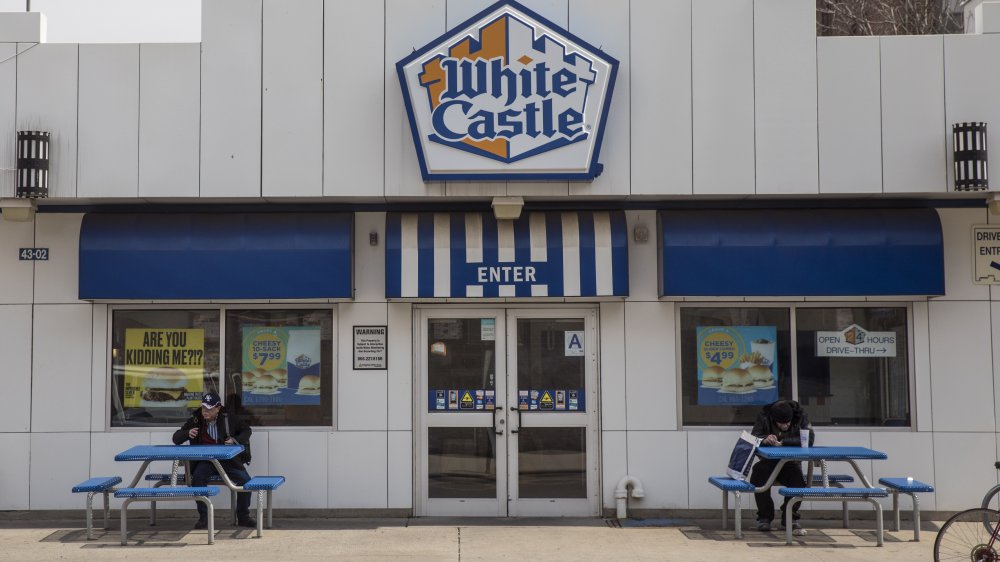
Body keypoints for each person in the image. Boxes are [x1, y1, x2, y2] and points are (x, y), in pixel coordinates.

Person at [173, 391, 256, 529]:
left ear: (218, 408)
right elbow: (176, 438)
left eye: (209, 408)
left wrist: (235, 440)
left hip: (228, 460)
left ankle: (243, 516)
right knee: (198, 479)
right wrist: (187, 433)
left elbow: (247, 430)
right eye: (204, 407)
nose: (205, 411)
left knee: (245, 481)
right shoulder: (196, 420)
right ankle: (204, 518)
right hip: (205, 461)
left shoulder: (228, 418)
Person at [749, 399, 814, 534]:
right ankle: (764, 517)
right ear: (773, 419)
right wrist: (765, 439)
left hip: (790, 462)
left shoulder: (800, 416)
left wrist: (784, 442)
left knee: (798, 482)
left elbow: (809, 439)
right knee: (758, 475)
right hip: (768, 461)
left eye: (788, 423)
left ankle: (790, 517)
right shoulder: (764, 417)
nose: (785, 426)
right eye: (781, 423)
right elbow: (754, 437)